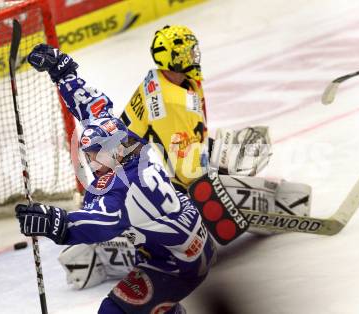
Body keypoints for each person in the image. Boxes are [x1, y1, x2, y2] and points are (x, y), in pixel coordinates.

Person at [17, 46, 216, 313]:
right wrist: (62, 72)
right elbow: (93, 107)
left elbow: (102, 224)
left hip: (178, 263)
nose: (92, 162)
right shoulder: (125, 142)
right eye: (90, 155)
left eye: (97, 155)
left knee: (113, 311)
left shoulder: (120, 187)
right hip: (187, 239)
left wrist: (56, 222)